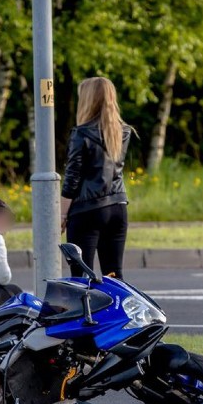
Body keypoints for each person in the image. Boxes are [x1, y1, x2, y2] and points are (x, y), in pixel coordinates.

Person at [60, 77, 134, 279]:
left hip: (87, 210)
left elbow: (72, 178)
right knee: (114, 273)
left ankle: (87, 312)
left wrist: (62, 214)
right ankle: (118, 311)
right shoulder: (123, 131)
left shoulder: (81, 133)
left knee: (81, 275)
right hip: (118, 206)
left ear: (87, 100)